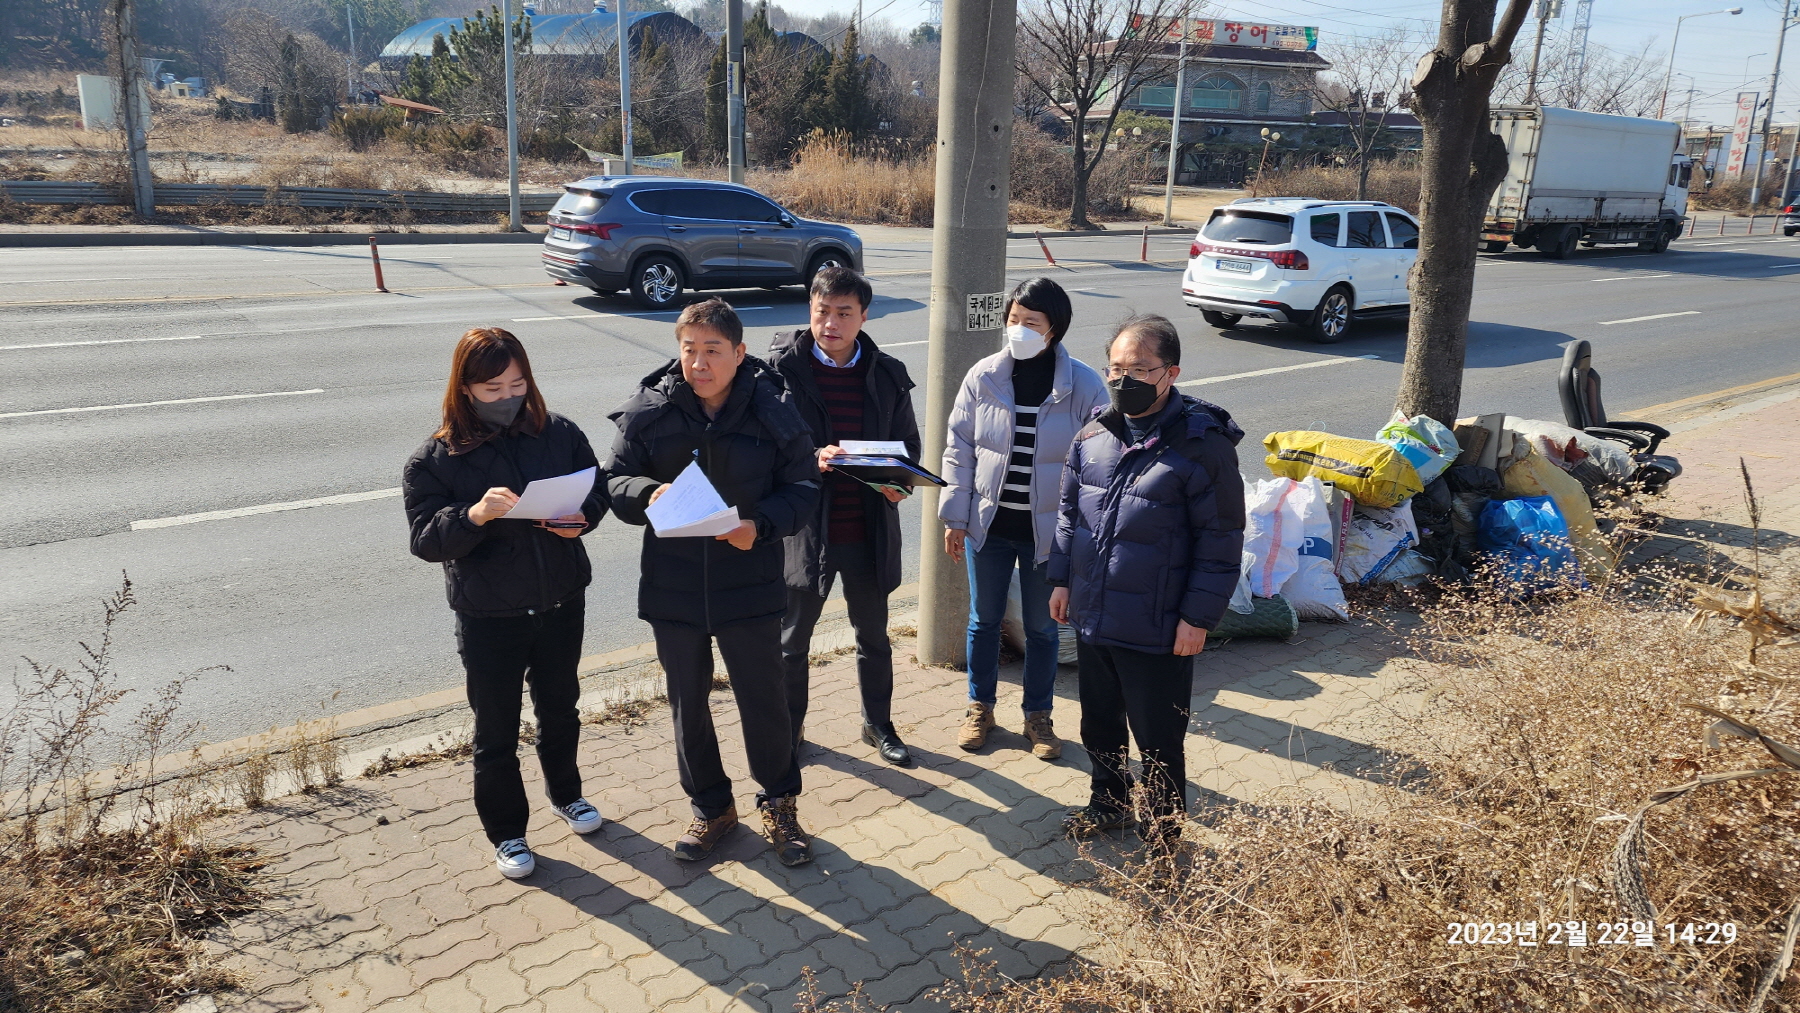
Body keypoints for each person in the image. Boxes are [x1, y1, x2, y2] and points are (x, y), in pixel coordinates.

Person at [605, 298, 822, 867]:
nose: (699, 364)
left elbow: (804, 488)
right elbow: (614, 481)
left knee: (764, 701)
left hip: (749, 582)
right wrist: (646, 493)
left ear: (739, 352)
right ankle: (712, 808)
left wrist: (760, 525)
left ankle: (780, 805)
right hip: (673, 587)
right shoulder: (652, 408)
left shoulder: (773, 409)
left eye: (713, 351)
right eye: (690, 350)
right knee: (687, 704)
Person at [402, 327, 610, 881]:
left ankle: (567, 795)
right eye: (492, 389)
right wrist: (473, 515)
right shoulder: (434, 458)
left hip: (560, 599)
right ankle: (507, 832)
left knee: (561, 710)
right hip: (488, 615)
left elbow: (597, 489)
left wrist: (582, 517)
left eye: (517, 385)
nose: (508, 397)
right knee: (495, 729)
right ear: (465, 388)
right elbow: (425, 540)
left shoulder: (557, 432)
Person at [1048, 313, 1245, 848]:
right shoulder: (1093, 434)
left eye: (1138, 369)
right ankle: (1108, 804)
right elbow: (1069, 514)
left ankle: (1162, 837)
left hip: (1159, 624)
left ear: (1170, 373)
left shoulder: (1204, 446)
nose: (1123, 380)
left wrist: (1197, 618)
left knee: (1158, 738)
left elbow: (1221, 540)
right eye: (1115, 368)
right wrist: (1061, 581)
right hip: (1094, 613)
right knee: (1099, 724)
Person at [939, 278, 1107, 758]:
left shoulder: (1083, 385)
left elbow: (1100, 462)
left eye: (1031, 322)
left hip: (1049, 536)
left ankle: (1039, 717)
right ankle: (979, 708)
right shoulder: (984, 376)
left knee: (1042, 629)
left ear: (1054, 328)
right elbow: (960, 449)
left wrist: (1083, 535)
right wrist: (955, 517)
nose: (1019, 329)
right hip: (988, 527)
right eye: (1013, 319)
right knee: (983, 621)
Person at [767, 267, 921, 767]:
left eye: (843, 313)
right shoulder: (779, 372)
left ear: (864, 317)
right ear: (810, 310)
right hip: (805, 530)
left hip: (867, 530)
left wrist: (900, 483)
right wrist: (811, 457)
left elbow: (908, 446)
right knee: (792, 643)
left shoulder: (887, 373)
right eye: (822, 312)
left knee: (873, 637)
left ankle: (878, 724)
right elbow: (763, 448)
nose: (830, 323)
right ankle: (788, 730)